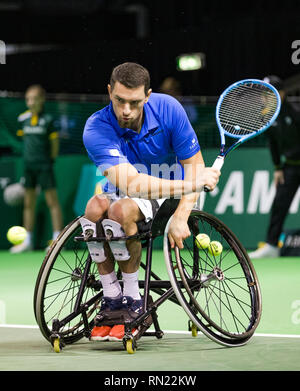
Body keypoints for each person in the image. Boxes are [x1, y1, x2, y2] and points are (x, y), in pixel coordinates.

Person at [82, 62, 220, 341]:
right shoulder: (96, 127)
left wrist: (182, 215)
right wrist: (193, 183)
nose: (126, 111)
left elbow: (194, 163)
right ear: (109, 91)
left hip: (168, 196)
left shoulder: (168, 109)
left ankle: (133, 298)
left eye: (134, 102)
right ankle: (111, 297)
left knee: (120, 210)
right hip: (134, 190)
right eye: (119, 100)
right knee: (94, 208)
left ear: (148, 95)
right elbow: (132, 184)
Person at [249, 75, 300, 259]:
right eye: (264, 93)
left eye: (269, 93)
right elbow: (273, 144)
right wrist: (278, 167)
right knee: (279, 205)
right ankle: (271, 245)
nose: (265, 97)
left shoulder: (295, 112)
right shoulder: (268, 117)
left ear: (282, 94)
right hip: (290, 168)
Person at [10, 84, 63, 253]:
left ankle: (57, 239)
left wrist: (49, 161)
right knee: (28, 203)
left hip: (44, 166)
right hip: (28, 166)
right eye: (28, 99)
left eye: (34, 99)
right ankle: (27, 242)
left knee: (52, 202)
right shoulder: (22, 119)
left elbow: (54, 145)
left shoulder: (48, 120)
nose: (31, 102)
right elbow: (24, 141)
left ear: (42, 100)